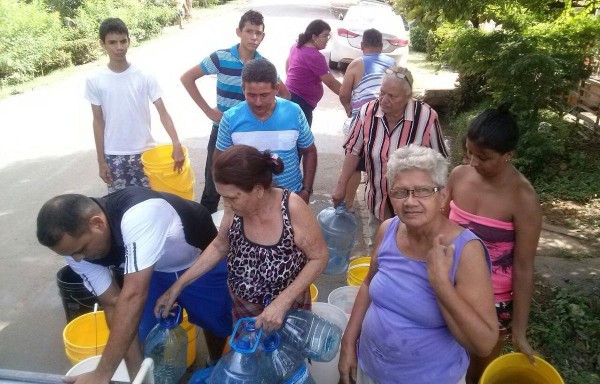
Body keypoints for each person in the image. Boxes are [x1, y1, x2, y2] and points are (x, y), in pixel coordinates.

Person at [36, 187, 232, 383]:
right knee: (141, 330)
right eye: (70, 255)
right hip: (150, 270)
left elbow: (133, 296)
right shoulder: (74, 249)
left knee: (216, 321)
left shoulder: (140, 212)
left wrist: (102, 374)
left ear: (97, 223)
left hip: (198, 261)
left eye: (82, 249)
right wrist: (138, 378)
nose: (78, 260)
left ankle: (215, 360)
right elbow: (114, 304)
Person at [338, 145, 499, 384]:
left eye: (423, 191)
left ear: (442, 196)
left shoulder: (465, 251)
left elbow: (484, 343)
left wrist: (441, 285)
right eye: (401, 192)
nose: (410, 202)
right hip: (370, 369)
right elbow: (367, 285)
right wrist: (349, 343)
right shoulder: (388, 229)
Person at [155, 145, 328, 331]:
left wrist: (281, 303)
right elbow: (220, 246)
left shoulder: (292, 208)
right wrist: (177, 287)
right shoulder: (233, 208)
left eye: (232, 198)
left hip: (287, 311)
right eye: (223, 197)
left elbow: (319, 258)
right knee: (249, 356)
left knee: (286, 357)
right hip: (243, 307)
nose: (226, 204)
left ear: (259, 190)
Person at [443, 105, 542, 383]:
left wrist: (519, 330)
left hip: (492, 302)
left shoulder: (523, 198)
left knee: (478, 372)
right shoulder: (459, 176)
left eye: (483, 157)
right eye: (469, 152)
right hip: (448, 285)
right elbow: (438, 228)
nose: (473, 162)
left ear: (508, 155)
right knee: (441, 358)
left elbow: (523, 267)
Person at [180, 10, 290, 214]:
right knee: (214, 185)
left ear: (263, 36)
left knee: (247, 186)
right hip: (221, 130)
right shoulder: (221, 57)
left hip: (249, 135)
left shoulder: (264, 65)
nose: (254, 37)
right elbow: (187, 78)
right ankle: (207, 236)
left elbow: (284, 94)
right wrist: (207, 111)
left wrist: (270, 117)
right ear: (239, 32)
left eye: (258, 33)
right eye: (249, 31)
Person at [332, 66, 449, 242]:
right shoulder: (367, 112)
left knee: (412, 249)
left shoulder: (426, 117)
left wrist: (440, 200)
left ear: (408, 97)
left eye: (392, 96)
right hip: (378, 200)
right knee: (378, 248)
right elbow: (353, 151)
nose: (384, 100)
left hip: (414, 205)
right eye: (382, 92)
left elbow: (440, 163)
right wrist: (341, 186)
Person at [86, 18, 184, 193]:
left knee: (153, 204)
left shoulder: (144, 76)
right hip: (114, 155)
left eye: (123, 41)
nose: (119, 47)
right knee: (122, 207)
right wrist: (101, 161)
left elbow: (163, 112)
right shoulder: (95, 80)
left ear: (129, 41)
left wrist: (176, 143)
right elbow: (98, 121)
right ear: (102, 44)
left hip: (146, 153)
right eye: (112, 42)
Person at [215, 58, 317, 204]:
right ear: (243, 88)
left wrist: (306, 191)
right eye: (251, 95)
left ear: (276, 88)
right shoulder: (230, 118)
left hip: (290, 198)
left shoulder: (294, 112)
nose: (258, 102)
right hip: (247, 203)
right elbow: (220, 163)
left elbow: (309, 151)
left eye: (264, 95)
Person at [338, 28, 395, 211]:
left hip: (364, 119)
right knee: (382, 160)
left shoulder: (356, 64)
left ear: (362, 46)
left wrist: (349, 108)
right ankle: (381, 203)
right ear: (381, 46)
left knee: (354, 162)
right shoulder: (392, 63)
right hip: (388, 119)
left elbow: (344, 93)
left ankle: (347, 204)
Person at [285, 19, 341, 126]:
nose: (327, 39)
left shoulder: (297, 46)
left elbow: (288, 63)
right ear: (314, 37)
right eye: (325, 36)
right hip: (300, 102)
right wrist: (348, 96)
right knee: (302, 139)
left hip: (291, 95)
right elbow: (331, 83)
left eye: (328, 36)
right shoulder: (314, 56)